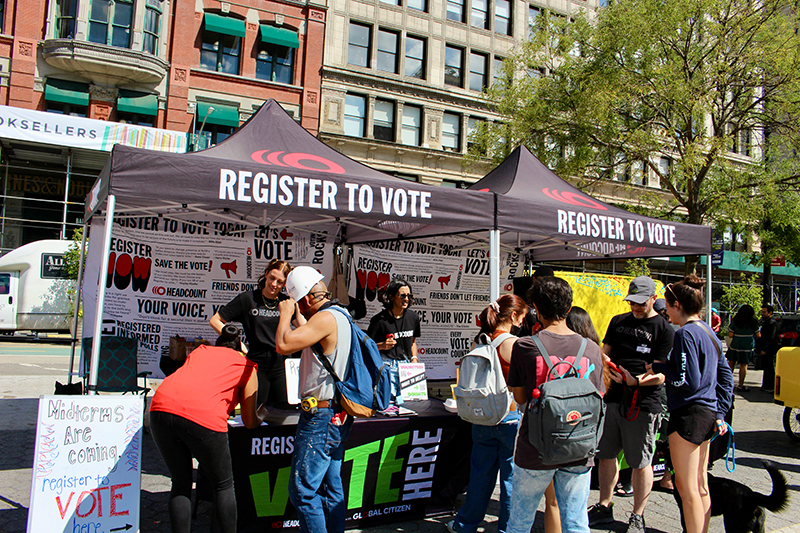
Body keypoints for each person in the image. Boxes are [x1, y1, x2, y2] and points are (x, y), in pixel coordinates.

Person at [506, 277, 605, 533]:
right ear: (569, 308)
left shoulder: (526, 345)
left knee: (520, 521)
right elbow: (598, 397)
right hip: (579, 445)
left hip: (535, 446)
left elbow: (519, 398)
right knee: (576, 522)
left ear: (536, 307)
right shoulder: (592, 348)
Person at [149, 324, 267, 533]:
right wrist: (262, 416)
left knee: (181, 483)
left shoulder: (200, 352)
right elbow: (249, 421)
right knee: (222, 485)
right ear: (241, 348)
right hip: (202, 416)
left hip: (160, 409)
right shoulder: (246, 365)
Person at [647, 276, 734, 533]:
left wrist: (662, 372)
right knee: (700, 484)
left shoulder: (685, 333)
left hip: (688, 415)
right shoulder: (709, 331)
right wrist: (720, 413)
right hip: (706, 414)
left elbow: (687, 380)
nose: (665, 313)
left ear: (676, 305)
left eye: (667, 307)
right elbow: (725, 377)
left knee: (686, 489)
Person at [588, 276, 674, 533]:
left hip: (643, 403)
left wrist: (636, 382)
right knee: (606, 455)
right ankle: (604, 505)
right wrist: (605, 364)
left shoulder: (664, 329)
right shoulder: (618, 321)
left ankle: (638, 514)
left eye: (640, 302)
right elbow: (605, 351)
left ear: (652, 299)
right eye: (632, 302)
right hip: (613, 399)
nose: (635, 307)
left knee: (640, 461)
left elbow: (662, 374)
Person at [275, 266, 353, 533]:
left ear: (306, 299)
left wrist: (285, 315)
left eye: (299, 303)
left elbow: (283, 345)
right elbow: (312, 336)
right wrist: (298, 317)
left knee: (303, 492)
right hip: (334, 414)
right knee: (332, 488)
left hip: (320, 418)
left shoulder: (325, 319)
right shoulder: (340, 315)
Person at [446, 294, 528, 533]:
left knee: (480, 476)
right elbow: (520, 384)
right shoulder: (513, 344)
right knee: (511, 480)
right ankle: (508, 528)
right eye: (522, 316)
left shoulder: (479, 341)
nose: (523, 320)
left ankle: (465, 524)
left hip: (481, 416)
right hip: (509, 417)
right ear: (513, 315)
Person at [210, 259, 292, 407]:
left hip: (282, 364)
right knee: (256, 409)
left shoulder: (287, 303)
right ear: (266, 275)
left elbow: (304, 327)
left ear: (285, 284)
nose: (274, 284)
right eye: (272, 278)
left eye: (280, 282)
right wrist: (236, 342)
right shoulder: (248, 299)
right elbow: (215, 320)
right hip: (256, 363)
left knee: (283, 412)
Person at [367, 279, 421, 404]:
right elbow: (367, 346)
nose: (406, 299)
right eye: (402, 295)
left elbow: (413, 341)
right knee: (388, 403)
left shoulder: (413, 317)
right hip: (387, 366)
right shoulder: (379, 320)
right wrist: (382, 345)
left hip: (407, 366)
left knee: (409, 403)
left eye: (409, 296)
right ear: (391, 297)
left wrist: (414, 358)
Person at [726, 304, 760, 392]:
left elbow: (730, 335)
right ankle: (741, 384)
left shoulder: (736, 321)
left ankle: (727, 383)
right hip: (747, 345)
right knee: (744, 364)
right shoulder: (754, 322)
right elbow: (758, 335)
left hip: (736, 344)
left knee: (731, 363)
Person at [757, 305, 779, 393]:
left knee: (769, 367)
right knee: (766, 366)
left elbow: (771, 338)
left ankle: (770, 385)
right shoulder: (764, 322)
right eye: (762, 312)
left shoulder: (772, 323)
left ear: (770, 313)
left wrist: (765, 349)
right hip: (764, 347)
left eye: (764, 312)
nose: (762, 314)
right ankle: (766, 384)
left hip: (770, 349)